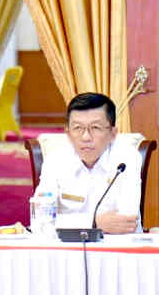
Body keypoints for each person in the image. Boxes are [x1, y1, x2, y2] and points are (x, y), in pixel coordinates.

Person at [36, 92, 142, 234]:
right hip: (69, 245)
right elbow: (41, 220)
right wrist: (95, 222)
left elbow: (127, 221)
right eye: (77, 128)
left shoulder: (127, 158)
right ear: (68, 133)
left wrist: (66, 222)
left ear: (113, 133)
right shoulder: (55, 160)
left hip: (116, 243)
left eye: (95, 128)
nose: (86, 137)